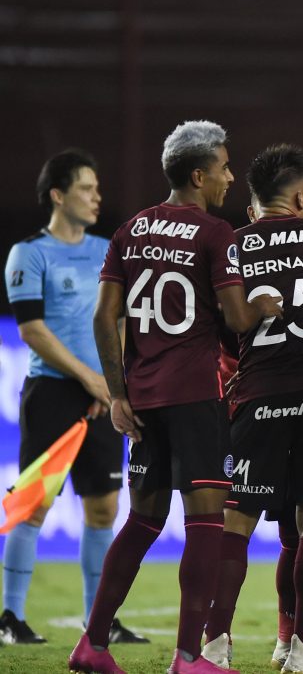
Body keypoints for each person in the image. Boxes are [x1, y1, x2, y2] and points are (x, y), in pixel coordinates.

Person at [67, 120, 281, 674]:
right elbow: (236, 319)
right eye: (224, 167)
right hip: (195, 395)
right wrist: (263, 304)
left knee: (142, 520)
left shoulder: (129, 230)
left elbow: (103, 317)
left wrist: (118, 395)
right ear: (197, 173)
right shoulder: (215, 235)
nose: (231, 177)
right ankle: (188, 657)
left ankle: (92, 643)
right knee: (207, 522)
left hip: (143, 397)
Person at [198, 144, 303, 674]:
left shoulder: (234, 245)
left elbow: (224, 324)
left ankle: (215, 648)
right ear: (302, 197)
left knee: (234, 523)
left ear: (253, 203)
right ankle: (302, 656)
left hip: (258, 391)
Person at [1, 150, 146, 646]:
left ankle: (96, 618)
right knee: (34, 505)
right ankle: (11, 617)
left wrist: (113, 382)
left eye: (97, 188)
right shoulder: (29, 253)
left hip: (104, 392)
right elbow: (33, 330)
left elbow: (122, 322)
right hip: (54, 393)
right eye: (86, 188)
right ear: (58, 195)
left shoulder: (110, 250)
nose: (96, 196)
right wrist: (91, 378)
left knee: (103, 508)